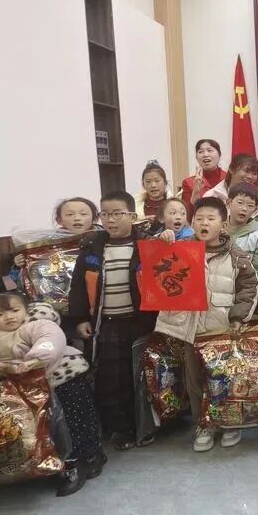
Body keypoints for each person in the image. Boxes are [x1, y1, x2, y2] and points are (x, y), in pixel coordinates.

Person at [0, 294, 105, 495]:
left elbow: (50, 339)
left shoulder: (36, 324)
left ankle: (81, 458)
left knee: (71, 409)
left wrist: (36, 360)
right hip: (9, 384)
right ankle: (25, 463)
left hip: (53, 373)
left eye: (15, 310)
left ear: (26, 310)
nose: (9, 317)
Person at [153, 197, 258, 452]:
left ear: (223, 224)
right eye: (199, 218)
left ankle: (230, 423)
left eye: (211, 219)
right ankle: (204, 424)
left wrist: (238, 317)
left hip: (221, 328)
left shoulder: (236, 255)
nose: (204, 223)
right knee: (195, 381)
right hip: (191, 329)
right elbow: (157, 271)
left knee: (225, 378)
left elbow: (249, 288)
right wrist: (163, 244)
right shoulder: (180, 249)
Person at [69, 191, 158, 451]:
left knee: (139, 376)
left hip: (139, 322)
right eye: (105, 214)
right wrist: (80, 318)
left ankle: (144, 425)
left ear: (132, 215)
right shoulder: (92, 247)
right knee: (111, 378)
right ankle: (119, 428)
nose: (110, 219)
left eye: (117, 213)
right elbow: (77, 286)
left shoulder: (147, 244)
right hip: (105, 323)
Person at [10, 197, 100, 288]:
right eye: (70, 214)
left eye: (83, 214)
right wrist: (19, 265)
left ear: (95, 219)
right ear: (59, 220)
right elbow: (30, 277)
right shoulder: (48, 243)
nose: (77, 218)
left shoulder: (102, 239)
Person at [204, 153, 258, 233]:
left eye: (254, 173)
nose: (250, 177)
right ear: (231, 169)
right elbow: (201, 227)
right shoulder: (211, 196)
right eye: (246, 171)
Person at [225, 183, 258, 284]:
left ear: (255, 210)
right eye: (240, 203)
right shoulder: (216, 230)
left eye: (250, 206)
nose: (244, 208)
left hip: (247, 288)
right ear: (229, 203)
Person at [180, 139, 226, 208]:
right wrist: (196, 192)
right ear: (196, 157)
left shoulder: (229, 178)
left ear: (219, 154)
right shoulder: (188, 183)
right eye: (200, 152)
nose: (205, 155)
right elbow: (187, 212)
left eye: (209, 150)